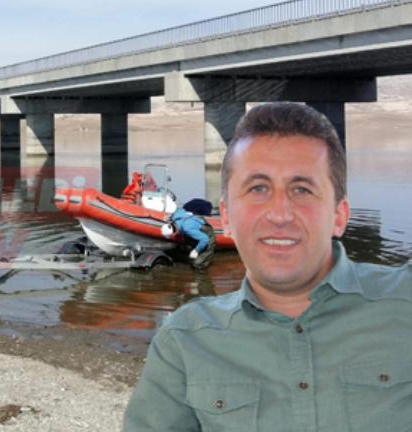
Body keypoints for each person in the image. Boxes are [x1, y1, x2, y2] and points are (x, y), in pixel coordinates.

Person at [123, 102, 412, 431]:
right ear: (227, 216)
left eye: (301, 189)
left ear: (339, 216)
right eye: (258, 188)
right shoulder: (184, 341)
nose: (279, 214)